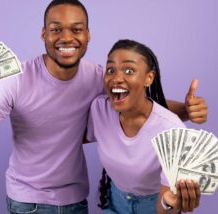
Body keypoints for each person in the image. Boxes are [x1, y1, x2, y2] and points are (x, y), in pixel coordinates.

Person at [0, 0, 207, 213]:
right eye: (56, 29)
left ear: (87, 35)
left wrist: (185, 110)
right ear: (44, 34)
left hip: (75, 199)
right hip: (28, 201)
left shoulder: (99, 77)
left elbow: (139, 104)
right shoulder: (15, 80)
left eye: (76, 29)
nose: (66, 38)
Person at [86, 39, 201, 213]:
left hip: (153, 206)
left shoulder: (172, 131)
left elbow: (166, 207)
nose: (117, 78)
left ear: (149, 78)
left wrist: (169, 204)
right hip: (114, 203)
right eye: (111, 70)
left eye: (128, 70)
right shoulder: (99, 109)